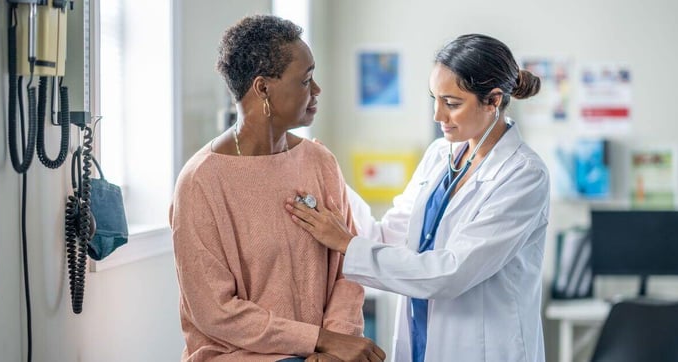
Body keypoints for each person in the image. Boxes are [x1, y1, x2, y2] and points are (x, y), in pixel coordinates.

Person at [286, 34, 550, 362]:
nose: (438, 116)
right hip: (422, 342)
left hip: (485, 350)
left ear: (493, 101)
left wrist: (345, 243)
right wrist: (330, 177)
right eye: (434, 99)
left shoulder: (523, 174)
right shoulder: (440, 155)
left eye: (452, 103)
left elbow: (452, 272)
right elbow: (387, 237)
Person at [169, 15, 385, 362]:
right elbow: (216, 311)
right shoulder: (200, 182)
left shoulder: (319, 161)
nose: (316, 91)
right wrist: (320, 340)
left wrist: (336, 345)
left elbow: (349, 266)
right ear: (263, 88)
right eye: (306, 80)